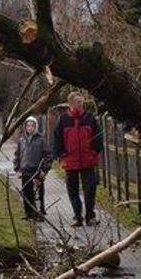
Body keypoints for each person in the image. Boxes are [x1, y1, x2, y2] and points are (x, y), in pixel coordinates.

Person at [53, 91, 103, 227]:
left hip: (88, 160)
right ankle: (77, 216)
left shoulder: (90, 118)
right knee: (72, 190)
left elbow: (98, 137)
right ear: (71, 104)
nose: (81, 104)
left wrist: (94, 152)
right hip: (71, 161)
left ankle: (90, 216)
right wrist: (61, 155)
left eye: (82, 102)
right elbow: (57, 139)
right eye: (78, 102)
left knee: (90, 189)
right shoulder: (63, 120)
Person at [13, 116, 52, 220]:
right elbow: (17, 155)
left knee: (38, 193)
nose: (30, 128)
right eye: (28, 126)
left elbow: (48, 156)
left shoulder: (41, 140)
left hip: (37, 171)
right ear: (25, 127)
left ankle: (39, 212)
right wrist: (17, 168)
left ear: (36, 127)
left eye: (32, 126)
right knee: (26, 192)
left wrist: (44, 170)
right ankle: (28, 213)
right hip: (25, 170)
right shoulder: (22, 140)